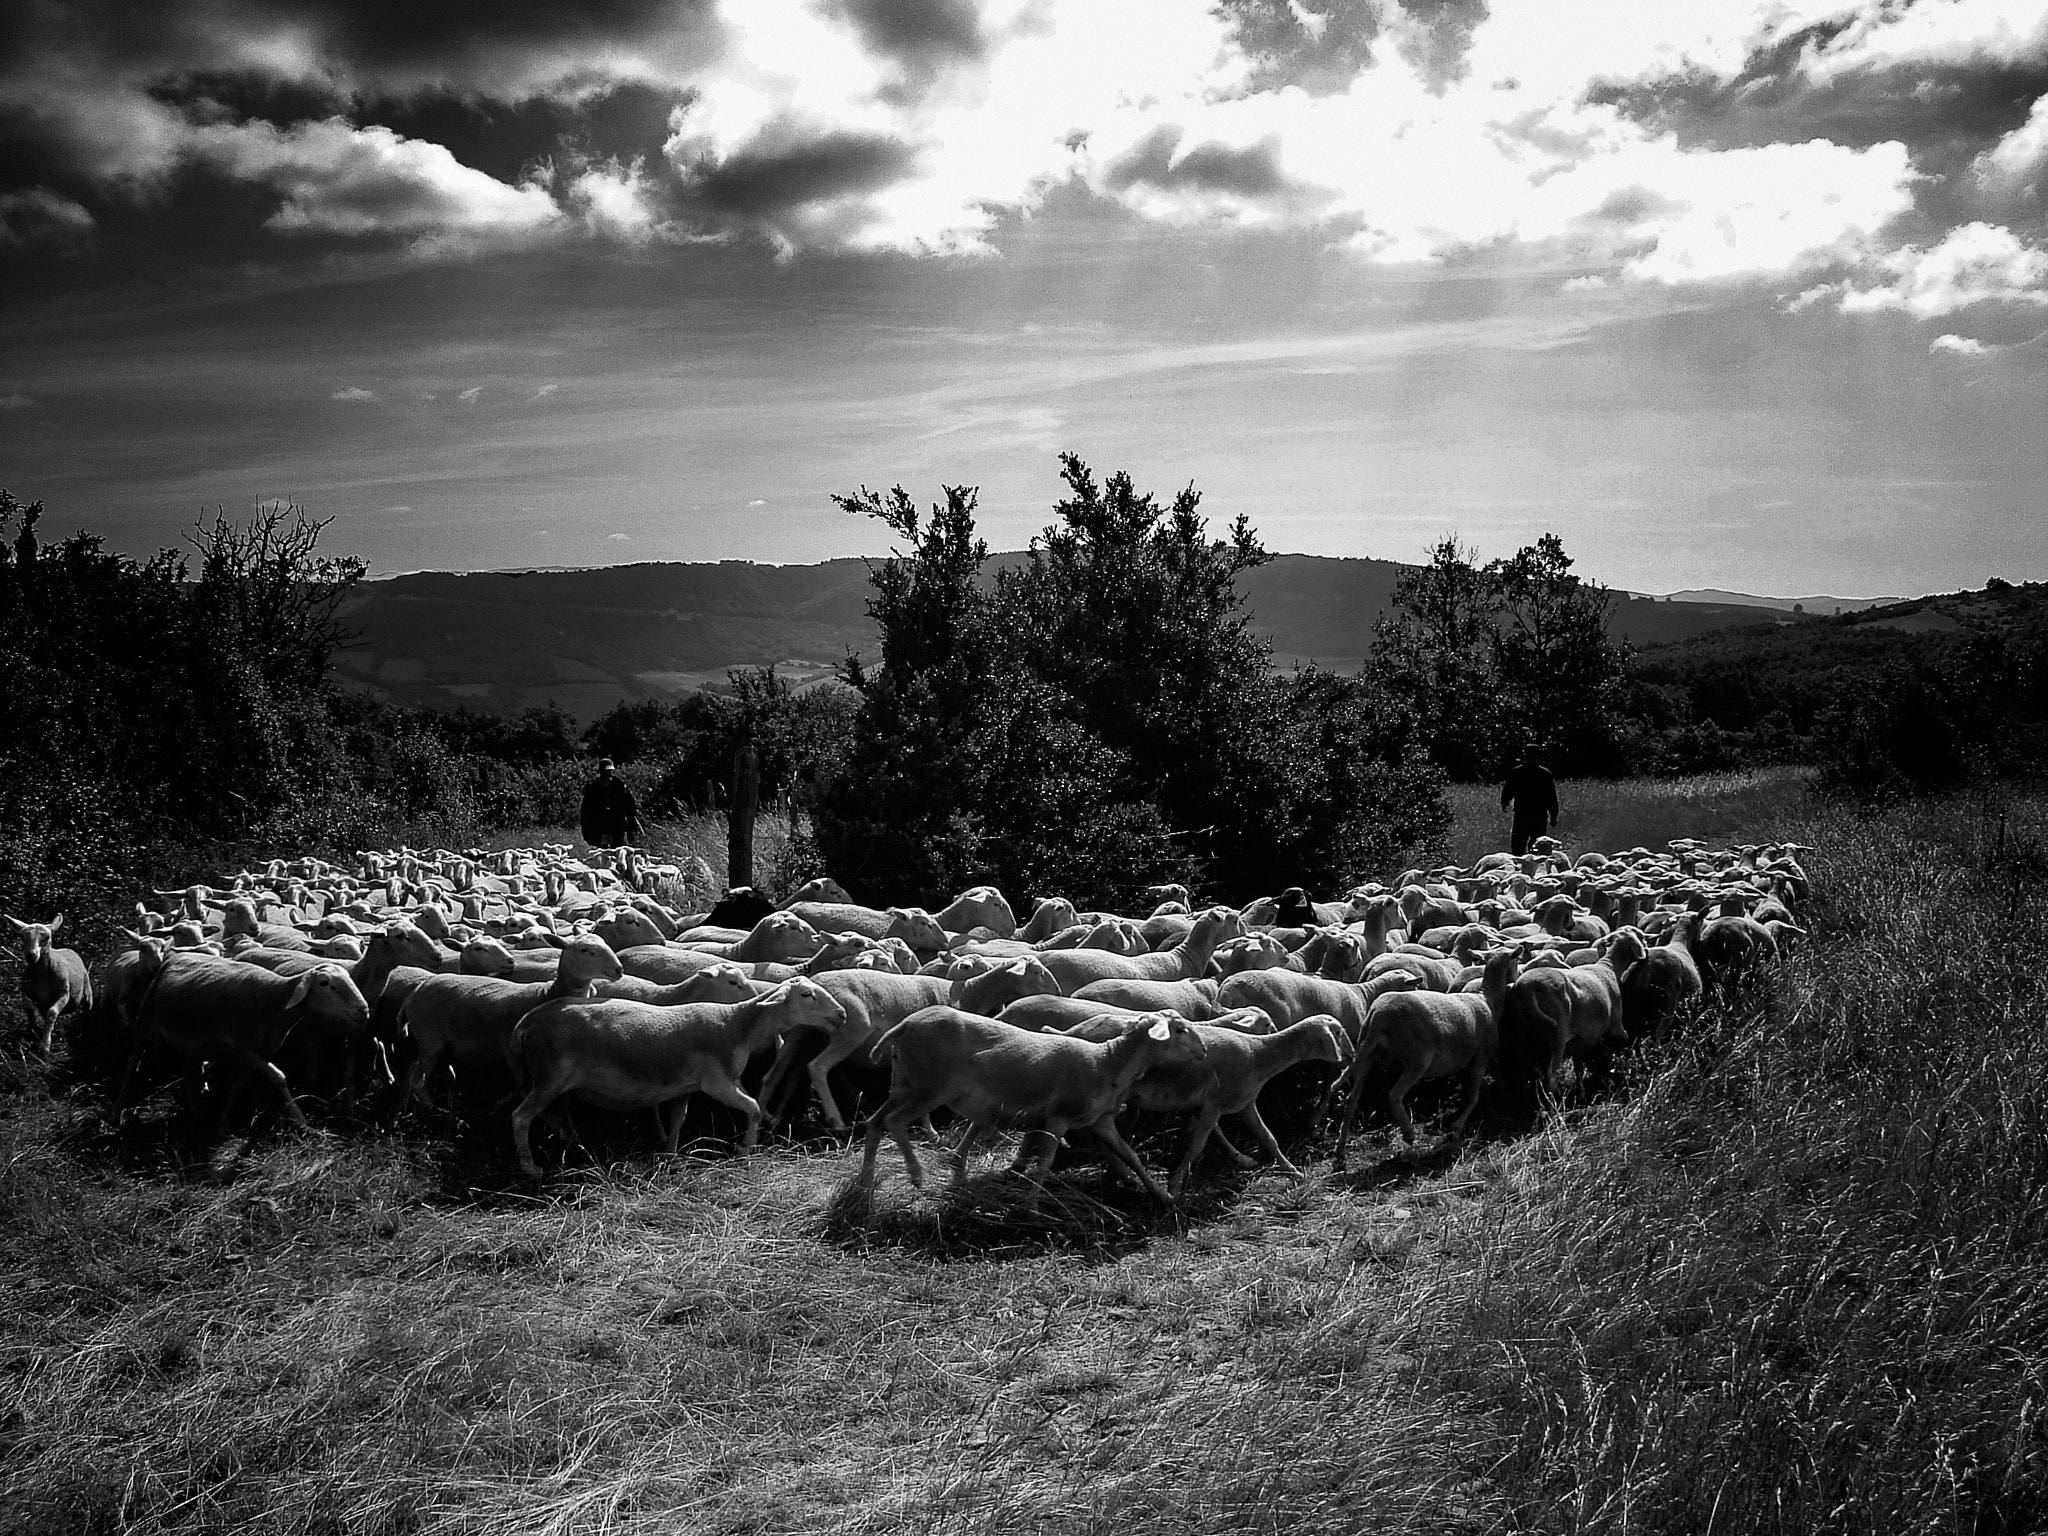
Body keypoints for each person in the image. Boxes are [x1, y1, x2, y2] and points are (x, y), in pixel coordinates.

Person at [1500, 743, 1558, 857]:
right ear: (1539, 756)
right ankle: (1535, 868)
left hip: (1522, 814)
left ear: (1525, 756)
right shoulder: (1545, 774)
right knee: (1537, 845)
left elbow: (1508, 790)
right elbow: (1551, 797)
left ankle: (1518, 868)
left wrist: (1505, 802)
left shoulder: (1517, 772)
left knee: (1518, 845)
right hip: (1539, 815)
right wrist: (1553, 815)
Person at [580, 758, 641, 848]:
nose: (608, 773)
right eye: (606, 771)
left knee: (619, 851)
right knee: (602, 853)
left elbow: (630, 807)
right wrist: (587, 832)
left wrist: (632, 827)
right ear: (601, 771)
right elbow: (586, 812)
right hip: (599, 827)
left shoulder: (620, 786)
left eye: (610, 771)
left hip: (618, 826)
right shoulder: (593, 789)